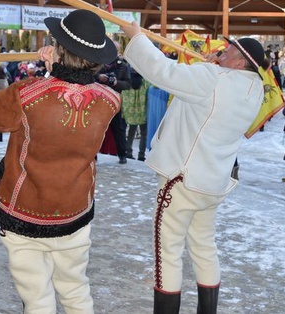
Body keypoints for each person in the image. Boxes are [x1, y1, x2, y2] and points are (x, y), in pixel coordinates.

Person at [0, 9, 120, 314]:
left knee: (37, 300)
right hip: (75, 211)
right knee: (76, 291)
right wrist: (55, 69)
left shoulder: (27, 93)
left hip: (25, 212)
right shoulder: (110, 100)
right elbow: (69, 93)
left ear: (60, 49)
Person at [121, 21, 264, 314]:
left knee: (167, 253)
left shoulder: (214, 78)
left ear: (238, 62)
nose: (219, 54)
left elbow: (163, 72)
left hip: (181, 180)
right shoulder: (254, 88)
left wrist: (136, 38)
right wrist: (216, 67)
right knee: (204, 249)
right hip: (211, 182)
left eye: (227, 52)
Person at [97, 42, 132, 163]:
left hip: (114, 102)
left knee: (118, 129)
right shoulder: (97, 63)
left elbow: (128, 84)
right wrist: (99, 77)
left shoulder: (123, 66)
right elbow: (89, 77)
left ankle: (122, 155)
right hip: (98, 101)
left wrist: (117, 83)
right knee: (96, 129)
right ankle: (92, 155)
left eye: (115, 49)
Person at [122, 67, 150, 161]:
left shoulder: (129, 80)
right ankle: (141, 155)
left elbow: (124, 94)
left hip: (131, 112)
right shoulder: (145, 80)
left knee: (131, 132)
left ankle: (128, 152)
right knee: (144, 134)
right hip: (143, 111)